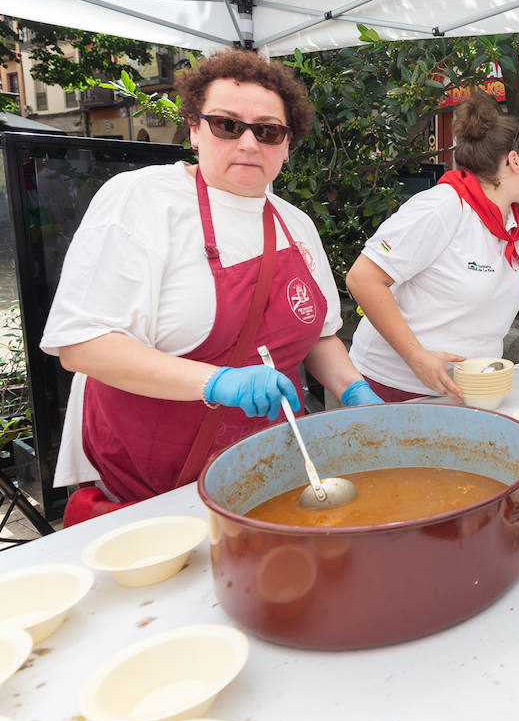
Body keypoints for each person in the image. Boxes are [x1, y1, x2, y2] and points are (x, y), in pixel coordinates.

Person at [40, 49, 382, 525]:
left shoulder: (295, 225)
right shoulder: (143, 201)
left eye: (267, 130)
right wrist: (218, 381)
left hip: (270, 475)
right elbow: (83, 345)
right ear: (195, 130)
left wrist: (354, 391)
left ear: (286, 145)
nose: (247, 143)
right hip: (149, 487)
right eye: (226, 124)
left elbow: (319, 335)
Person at [345, 90, 519, 401]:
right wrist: (416, 356)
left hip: (467, 390)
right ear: (515, 161)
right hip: (392, 389)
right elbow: (363, 278)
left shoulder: (512, 223)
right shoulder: (442, 207)